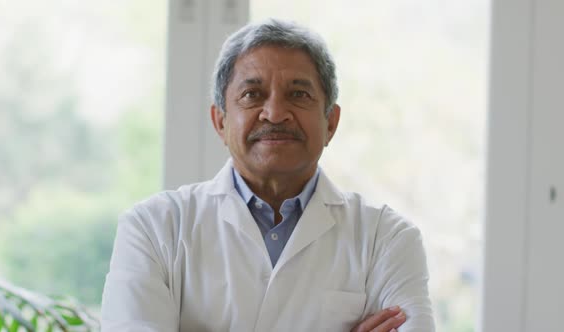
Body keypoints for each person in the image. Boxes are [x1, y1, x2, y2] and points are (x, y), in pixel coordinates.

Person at [101, 18, 435, 332]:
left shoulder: (387, 238)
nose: (275, 113)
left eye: (298, 94)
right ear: (220, 121)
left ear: (330, 122)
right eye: (252, 95)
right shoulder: (154, 228)